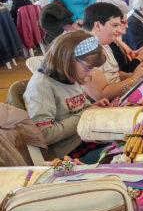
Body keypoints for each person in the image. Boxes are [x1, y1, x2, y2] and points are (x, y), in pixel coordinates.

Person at [23, 31, 108, 159]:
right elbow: (44, 134)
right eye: (88, 67)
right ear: (68, 60)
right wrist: (85, 115)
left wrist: (92, 108)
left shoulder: (70, 75)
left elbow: (78, 108)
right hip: (66, 154)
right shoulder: (41, 86)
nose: (90, 73)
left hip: (84, 139)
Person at [82, 2, 143, 101]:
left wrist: (136, 74)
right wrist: (134, 79)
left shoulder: (104, 44)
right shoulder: (87, 50)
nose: (119, 30)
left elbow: (113, 74)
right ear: (97, 25)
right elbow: (100, 95)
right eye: (115, 25)